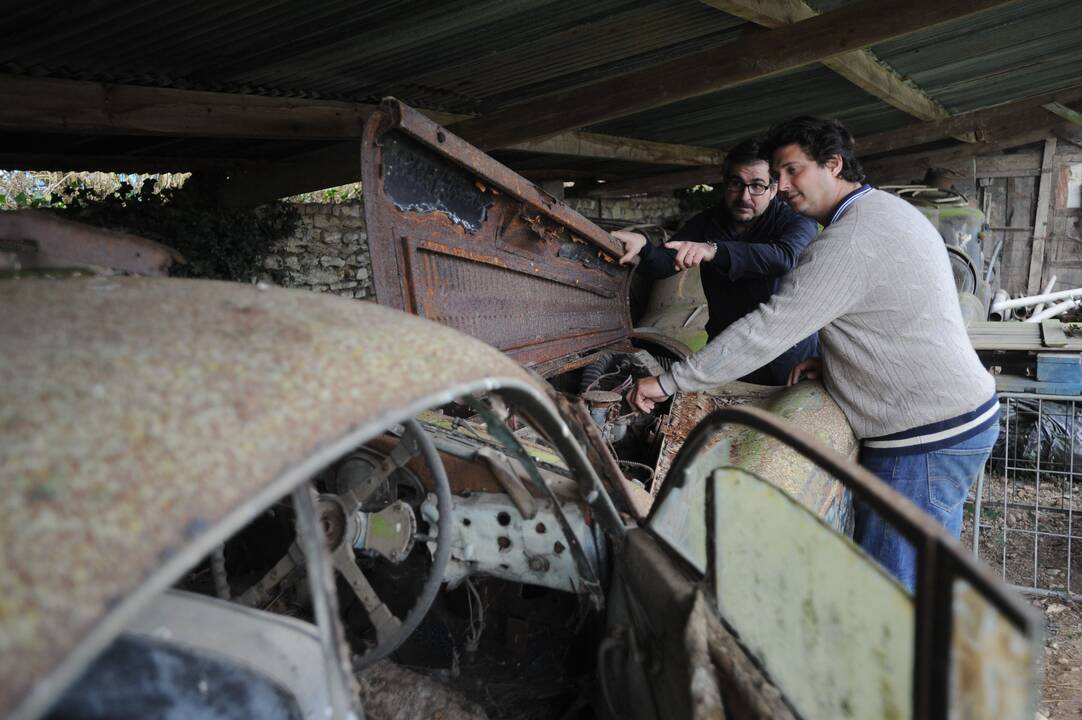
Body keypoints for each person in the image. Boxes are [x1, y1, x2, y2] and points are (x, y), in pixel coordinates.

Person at [627, 117, 999, 592]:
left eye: (791, 171)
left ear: (834, 164)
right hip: (948, 418)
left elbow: (768, 330)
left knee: (892, 591)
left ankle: (900, 666)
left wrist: (668, 382)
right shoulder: (882, 211)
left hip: (923, 436)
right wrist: (835, 362)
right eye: (776, 175)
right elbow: (898, 316)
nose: (780, 187)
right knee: (920, 576)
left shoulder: (847, 240)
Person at [612, 138, 819, 385]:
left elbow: (783, 258)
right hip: (726, 352)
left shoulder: (797, 220)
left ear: (774, 189)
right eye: (736, 184)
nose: (745, 196)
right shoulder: (707, 222)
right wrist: (643, 246)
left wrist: (714, 250)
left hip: (786, 355)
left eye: (757, 186)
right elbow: (664, 263)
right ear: (725, 183)